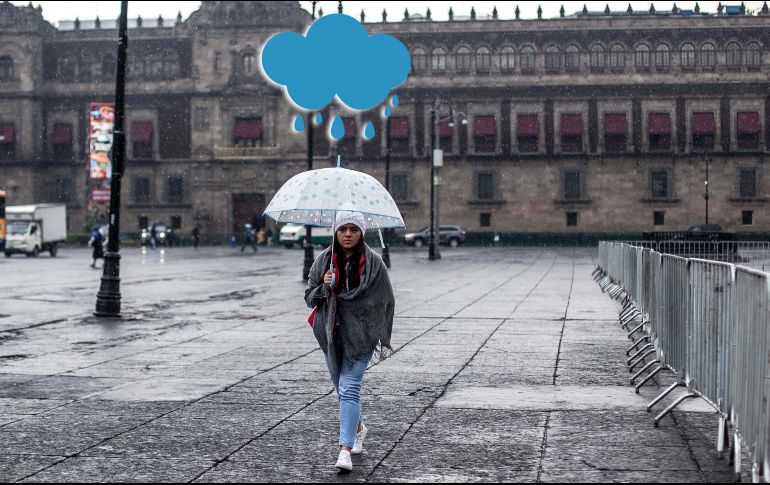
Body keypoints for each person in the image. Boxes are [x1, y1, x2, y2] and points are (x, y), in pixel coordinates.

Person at [304, 211, 395, 472]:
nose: (347, 234)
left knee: (349, 386)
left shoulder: (374, 263)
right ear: (336, 232)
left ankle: (345, 450)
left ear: (361, 233)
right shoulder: (323, 260)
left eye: (354, 230)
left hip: (362, 335)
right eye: (343, 229)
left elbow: (386, 299)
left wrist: (371, 324)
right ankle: (359, 428)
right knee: (341, 387)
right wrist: (324, 286)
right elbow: (309, 298)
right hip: (331, 334)